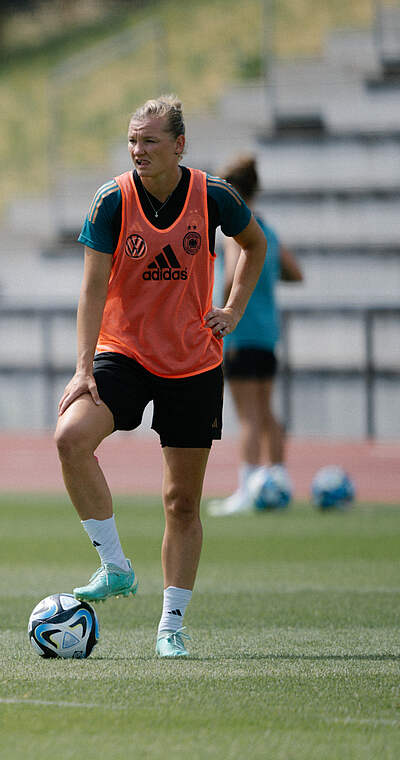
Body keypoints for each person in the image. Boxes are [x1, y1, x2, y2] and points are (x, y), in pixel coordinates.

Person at [54, 95, 267, 658]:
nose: (138, 151)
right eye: (132, 140)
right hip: (122, 353)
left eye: (149, 141)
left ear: (179, 145)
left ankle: (171, 625)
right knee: (71, 437)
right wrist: (82, 368)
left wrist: (233, 309)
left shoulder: (214, 195)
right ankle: (115, 566)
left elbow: (254, 244)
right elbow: (91, 289)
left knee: (181, 501)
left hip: (193, 363)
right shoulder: (111, 201)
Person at [207, 154, 304, 515]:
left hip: (241, 330)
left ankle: (248, 487)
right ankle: (278, 481)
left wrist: (221, 305)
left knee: (247, 414)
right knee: (265, 411)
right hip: (267, 333)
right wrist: (264, 277)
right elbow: (295, 273)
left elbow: (233, 274)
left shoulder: (238, 231)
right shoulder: (269, 231)